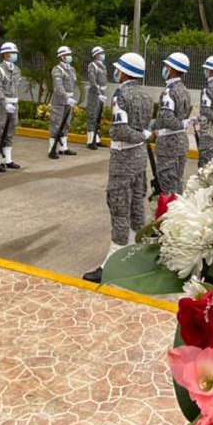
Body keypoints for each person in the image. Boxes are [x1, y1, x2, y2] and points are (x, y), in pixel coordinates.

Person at [82, 52, 152, 283]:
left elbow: (120, 130)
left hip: (123, 159)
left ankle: (111, 265)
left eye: (118, 69)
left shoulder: (121, 95)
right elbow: (145, 127)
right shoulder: (145, 95)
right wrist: (143, 136)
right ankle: (134, 254)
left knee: (119, 208)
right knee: (135, 207)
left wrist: (138, 136)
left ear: (124, 72)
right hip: (139, 158)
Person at [151, 52, 191, 194]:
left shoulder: (170, 91)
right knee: (177, 183)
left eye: (166, 66)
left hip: (169, 144)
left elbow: (166, 118)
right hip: (180, 142)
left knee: (168, 186)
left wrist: (152, 126)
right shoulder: (184, 90)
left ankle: (168, 214)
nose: (164, 68)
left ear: (172, 69)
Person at [0, 41, 22, 172]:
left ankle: (7, 159)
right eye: (12, 53)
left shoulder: (17, 70)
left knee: (10, 131)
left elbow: (16, 86)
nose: (14, 55)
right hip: (1, 106)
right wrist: (5, 103)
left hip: (14, 104)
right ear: (5, 54)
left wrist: (12, 103)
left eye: (15, 53)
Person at [48, 45, 79, 159]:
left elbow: (72, 84)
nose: (69, 57)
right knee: (56, 123)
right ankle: (52, 149)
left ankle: (63, 148)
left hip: (69, 101)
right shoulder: (57, 70)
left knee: (66, 123)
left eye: (70, 54)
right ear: (61, 56)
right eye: (67, 55)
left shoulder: (72, 69)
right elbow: (58, 87)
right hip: (59, 101)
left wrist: (70, 98)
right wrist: (67, 97)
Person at [84, 46, 109, 150]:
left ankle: (97, 139)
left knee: (98, 116)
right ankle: (90, 141)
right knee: (92, 116)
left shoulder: (103, 66)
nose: (103, 54)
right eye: (101, 53)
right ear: (96, 54)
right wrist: (99, 93)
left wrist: (102, 93)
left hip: (102, 92)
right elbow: (93, 81)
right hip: (95, 93)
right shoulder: (92, 66)